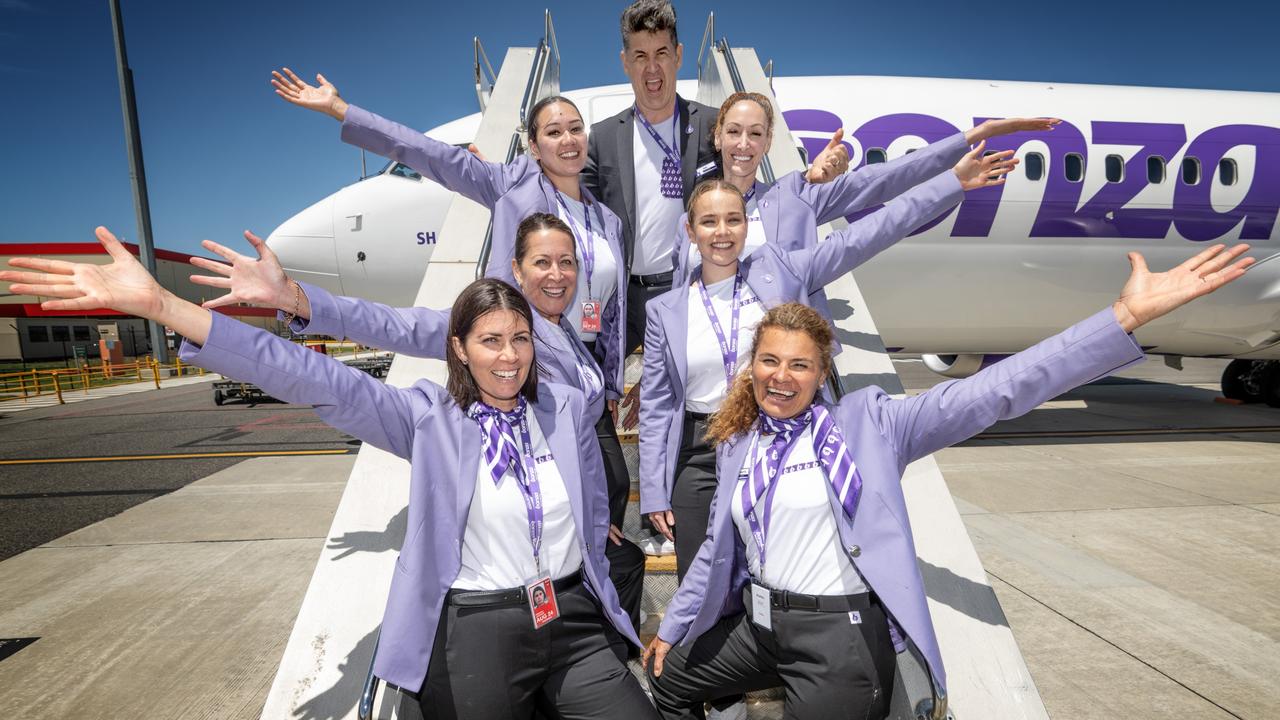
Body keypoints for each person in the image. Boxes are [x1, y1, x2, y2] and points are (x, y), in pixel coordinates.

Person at [1, 227, 660, 720]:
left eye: (519, 339)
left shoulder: (567, 407)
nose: (510, 355)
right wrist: (165, 306)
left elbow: (592, 494)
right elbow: (309, 375)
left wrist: (597, 539)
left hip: (572, 618)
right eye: (490, 340)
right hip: (477, 631)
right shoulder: (427, 420)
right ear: (458, 348)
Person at [643, 242, 1253, 720]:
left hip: (839, 636)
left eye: (799, 364)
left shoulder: (872, 425)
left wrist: (1123, 318)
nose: (780, 376)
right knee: (665, 683)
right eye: (769, 361)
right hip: (760, 626)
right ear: (750, 368)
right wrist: (672, 628)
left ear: (822, 371)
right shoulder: (738, 441)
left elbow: (998, 391)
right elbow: (716, 553)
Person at [188, 213, 648, 637]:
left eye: (566, 262)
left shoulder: (565, 329)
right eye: (542, 262)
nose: (556, 274)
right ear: (517, 269)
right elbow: (395, 325)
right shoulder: (500, 328)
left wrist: (591, 513)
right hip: (522, 531)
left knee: (621, 568)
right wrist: (297, 298)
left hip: (574, 513)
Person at [641, 141, 1013, 579]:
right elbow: (657, 404)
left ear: (746, 226)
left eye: (733, 219)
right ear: (690, 231)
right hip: (701, 450)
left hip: (775, 438)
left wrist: (953, 183)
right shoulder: (664, 311)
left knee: (771, 570)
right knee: (699, 578)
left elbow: (871, 234)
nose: (722, 231)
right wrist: (652, 489)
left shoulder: (782, 270)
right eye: (709, 222)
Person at [582, 0, 848, 356]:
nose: (652, 67)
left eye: (661, 53)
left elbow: (746, 176)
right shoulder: (602, 137)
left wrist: (807, 177)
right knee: (598, 387)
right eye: (640, 56)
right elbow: (575, 205)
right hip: (625, 294)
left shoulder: (711, 126)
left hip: (693, 285)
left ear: (678, 55)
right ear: (625, 62)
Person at [669, 90, 1059, 286]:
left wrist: (974, 137)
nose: (743, 144)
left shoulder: (795, 195)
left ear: (768, 142)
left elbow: (886, 180)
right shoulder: (690, 218)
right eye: (734, 132)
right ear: (717, 136)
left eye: (755, 134)